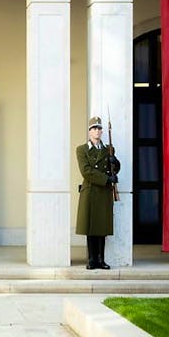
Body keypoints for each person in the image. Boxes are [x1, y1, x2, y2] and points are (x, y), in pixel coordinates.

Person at [75, 116, 120, 270]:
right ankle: (92, 259)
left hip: (104, 192)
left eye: (99, 128)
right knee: (91, 228)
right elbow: (86, 171)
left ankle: (101, 260)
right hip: (91, 192)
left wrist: (115, 162)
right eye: (94, 128)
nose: (98, 131)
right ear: (89, 132)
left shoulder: (108, 149)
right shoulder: (82, 149)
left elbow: (114, 168)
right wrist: (107, 179)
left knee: (102, 227)